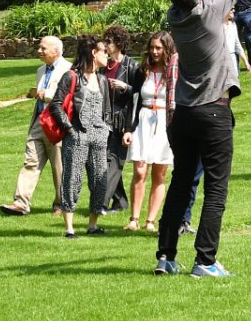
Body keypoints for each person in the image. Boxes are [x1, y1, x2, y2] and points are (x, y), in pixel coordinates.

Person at [154, 0, 251, 278]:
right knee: (216, 189)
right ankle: (205, 261)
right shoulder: (210, 11)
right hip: (213, 112)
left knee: (181, 184)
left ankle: (165, 256)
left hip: (183, 117)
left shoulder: (175, 17)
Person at [0, 36, 72, 216]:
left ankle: (61, 203)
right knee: (30, 161)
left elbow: (69, 95)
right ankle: (21, 202)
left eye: (43, 48)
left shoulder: (69, 70)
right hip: (39, 121)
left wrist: (47, 95)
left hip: (56, 123)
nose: (39, 51)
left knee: (59, 165)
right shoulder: (40, 70)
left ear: (56, 51)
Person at [51, 35, 113, 238]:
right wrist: (69, 129)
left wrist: (106, 128)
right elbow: (56, 104)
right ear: (94, 53)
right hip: (77, 135)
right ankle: (69, 228)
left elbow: (107, 110)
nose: (108, 54)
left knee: (99, 181)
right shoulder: (72, 76)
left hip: (99, 136)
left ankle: (92, 225)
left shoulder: (102, 79)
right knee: (72, 179)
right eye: (104, 51)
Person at [126, 32, 175, 232]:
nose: (154, 52)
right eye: (152, 47)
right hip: (144, 120)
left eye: (159, 48)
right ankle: (134, 218)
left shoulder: (173, 71)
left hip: (164, 122)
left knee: (159, 173)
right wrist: (129, 129)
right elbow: (134, 101)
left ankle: (151, 221)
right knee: (139, 169)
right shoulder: (142, 70)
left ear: (166, 49)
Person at [102, 26, 138, 214]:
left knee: (113, 161)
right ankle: (121, 202)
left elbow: (141, 94)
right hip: (103, 120)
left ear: (119, 44)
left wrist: (125, 87)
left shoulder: (131, 66)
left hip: (122, 121)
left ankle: (100, 203)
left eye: (109, 42)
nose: (105, 45)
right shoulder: (103, 66)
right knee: (103, 161)